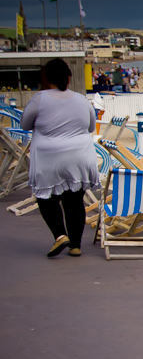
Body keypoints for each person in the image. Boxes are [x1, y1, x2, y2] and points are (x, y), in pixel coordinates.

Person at [20, 58, 100, 258]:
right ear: (69, 78)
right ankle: (75, 246)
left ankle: (60, 235)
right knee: (74, 200)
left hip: (49, 158)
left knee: (46, 198)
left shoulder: (40, 98)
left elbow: (25, 124)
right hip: (80, 156)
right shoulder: (81, 99)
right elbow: (91, 127)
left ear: (47, 79)